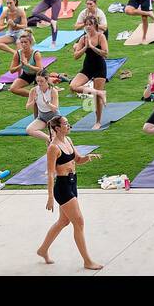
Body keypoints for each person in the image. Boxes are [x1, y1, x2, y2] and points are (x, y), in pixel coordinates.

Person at [38, 115, 103, 269]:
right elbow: (51, 173)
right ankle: (87, 261)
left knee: (63, 221)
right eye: (66, 124)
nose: (69, 126)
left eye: (68, 123)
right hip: (62, 187)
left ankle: (43, 250)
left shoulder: (68, 141)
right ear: (57, 128)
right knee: (79, 221)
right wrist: (50, 196)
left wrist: (89, 157)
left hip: (73, 183)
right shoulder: (53, 148)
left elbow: (78, 160)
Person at [69, 16, 109, 128]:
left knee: (96, 100)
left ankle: (98, 121)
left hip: (99, 67)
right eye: (86, 24)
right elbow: (76, 56)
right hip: (87, 67)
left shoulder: (101, 36)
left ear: (95, 25)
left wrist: (92, 47)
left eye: (90, 24)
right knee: (73, 86)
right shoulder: (83, 38)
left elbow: (105, 53)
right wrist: (85, 47)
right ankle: (99, 92)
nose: (87, 26)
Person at [25, 72, 60, 143]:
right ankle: (50, 139)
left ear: (46, 80)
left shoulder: (53, 91)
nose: (39, 83)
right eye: (37, 81)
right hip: (42, 117)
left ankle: (52, 140)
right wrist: (33, 101)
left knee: (55, 141)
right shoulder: (34, 90)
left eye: (41, 81)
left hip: (54, 117)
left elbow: (55, 108)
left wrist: (47, 103)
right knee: (29, 130)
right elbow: (27, 107)